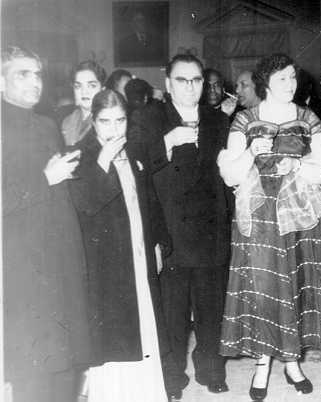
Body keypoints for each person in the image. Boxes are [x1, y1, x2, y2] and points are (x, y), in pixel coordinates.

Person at [218, 53, 321, 401]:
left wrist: (298, 166)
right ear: (266, 83)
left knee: (295, 285)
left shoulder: (308, 118)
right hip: (259, 216)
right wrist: (249, 153)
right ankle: (262, 364)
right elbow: (229, 174)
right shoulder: (245, 119)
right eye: (282, 79)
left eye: (292, 77)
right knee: (263, 288)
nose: (290, 85)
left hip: (299, 216)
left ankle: (292, 362)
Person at [128, 54, 232, 398]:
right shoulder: (148, 117)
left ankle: (211, 370)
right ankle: (172, 378)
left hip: (210, 228)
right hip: (170, 228)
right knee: (172, 312)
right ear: (168, 84)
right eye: (182, 80)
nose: (190, 87)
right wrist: (167, 142)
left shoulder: (218, 119)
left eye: (197, 80)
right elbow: (135, 165)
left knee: (210, 308)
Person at [69, 89, 172, 402]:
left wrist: (157, 242)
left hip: (139, 252)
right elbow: (85, 206)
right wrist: (102, 161)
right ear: (93, 122)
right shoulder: (80, 154)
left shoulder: (134, 148)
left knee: (145, 328)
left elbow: (150, 199)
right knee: (116, 337)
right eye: (105, 122)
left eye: (120, 120)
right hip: (106, 262)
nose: (114, 130)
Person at [2, 45, 90, 402]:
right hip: (21, 263)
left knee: (66, 357)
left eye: (37, 74)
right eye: (22, 75)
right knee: (33, 363)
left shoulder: (47, 124)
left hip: (58, 256)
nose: (34, 82)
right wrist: (45, 178)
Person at [60, 60, 106, 146]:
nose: (84, 92)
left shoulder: (108, 122)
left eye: (92, 86)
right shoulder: (67, 122)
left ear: (102, 90)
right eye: (78, 86)